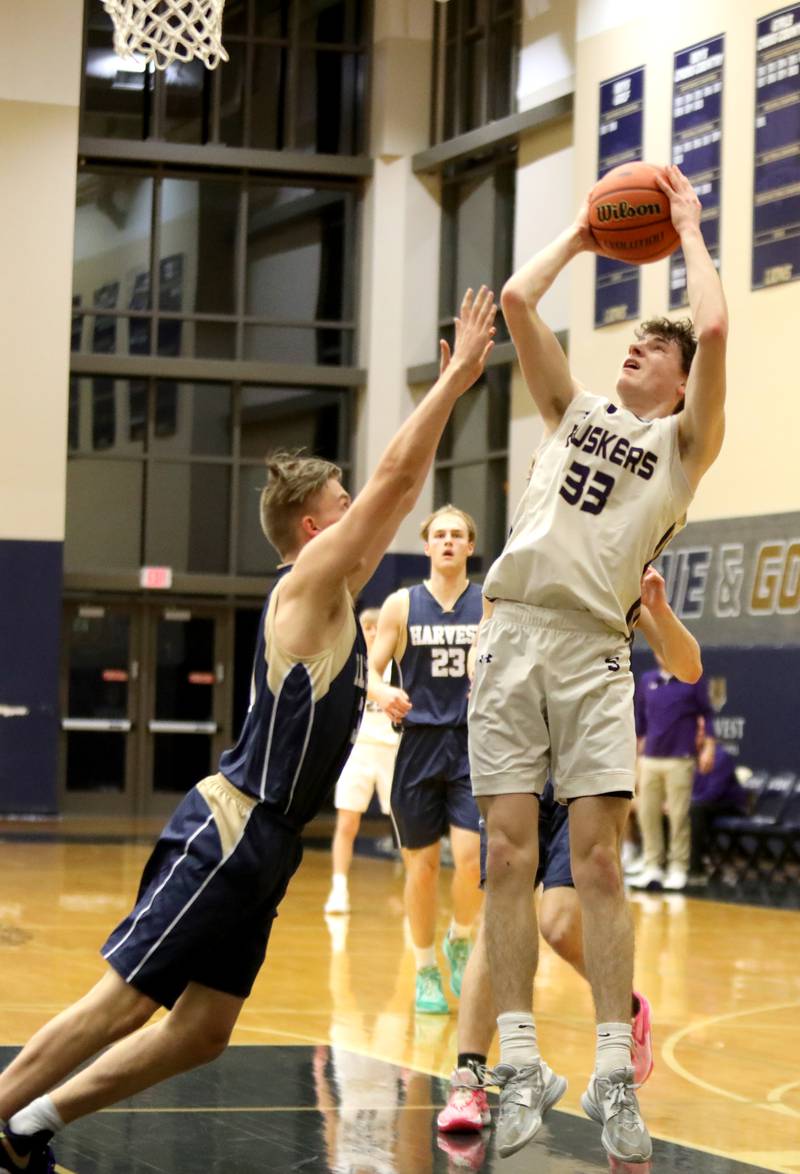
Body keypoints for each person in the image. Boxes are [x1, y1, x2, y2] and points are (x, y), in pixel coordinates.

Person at [0, 287, 497, 1174]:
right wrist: (455, 379)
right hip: (231, 829)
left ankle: (31, 1121)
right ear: (313, 530)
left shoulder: (341, 599)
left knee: (201, 1032)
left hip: (269, 848)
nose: (363, 515)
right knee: (121, 1004)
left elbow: (386, 493)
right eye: (344, 506)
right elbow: (398, 481)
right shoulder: (307, 584)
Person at [469, 164, 727, 1165]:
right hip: (515, 630)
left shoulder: (681, 450)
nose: (643, 347)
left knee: (597, 864)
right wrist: (582, 231)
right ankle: (520, 1061)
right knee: (504, 853)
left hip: (588, 649)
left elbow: (710, 331)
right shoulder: (570, 409)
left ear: (672, 385)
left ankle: (614, 1070)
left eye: (652, 349)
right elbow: (522, 299)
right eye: (637, 337)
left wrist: (691, 231)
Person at [437, 567, 699, 1153]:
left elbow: (686, 664)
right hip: (520, 769)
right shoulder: (517, 571)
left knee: (557, 924)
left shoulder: (620, 568)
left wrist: (656, 605)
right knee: (496, 915)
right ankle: (471, 1075)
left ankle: (625, 1013)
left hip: (580, 776)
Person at [369, 506, 483, 1015]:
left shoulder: (489, 604)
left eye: (457, 535)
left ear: (470, 546)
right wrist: (383, 691)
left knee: (473, 856)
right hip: (417, 744)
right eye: (440, 535)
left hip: (471, 744)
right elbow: (367, 674)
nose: (448, 542)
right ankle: (425, 967)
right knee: (422, 868)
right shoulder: (400, 605)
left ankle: (460, 937)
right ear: (427, 546)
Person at [324, 607, 400, 915]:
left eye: (375, 627)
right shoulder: (350, 667)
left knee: (406, 827)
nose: (371, 631)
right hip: (357, 751)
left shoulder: (398, 667)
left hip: (393, 750)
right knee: (347, 822)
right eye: (366, 626)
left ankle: (411, 891)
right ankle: (339, 889)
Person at [629, 656, 716, 892]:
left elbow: (707, 714)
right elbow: (640, 722)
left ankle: (678, 867)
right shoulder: (647, 680)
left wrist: (709, 745)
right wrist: (636, 755)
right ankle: (652, 866)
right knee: (647, 813)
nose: (662, 653)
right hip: (650, 759)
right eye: (658, 649)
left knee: (678, 815)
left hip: (681, 758)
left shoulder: (691, 679)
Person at [688, 743, 747, 883]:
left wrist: (686, 804)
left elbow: (715, 792)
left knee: (696, 810)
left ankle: (696, 870)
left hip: (730, 805)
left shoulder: (721, 756)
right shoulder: (689, 756)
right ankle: (668, 865)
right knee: (673, 809)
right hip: (704, 805)